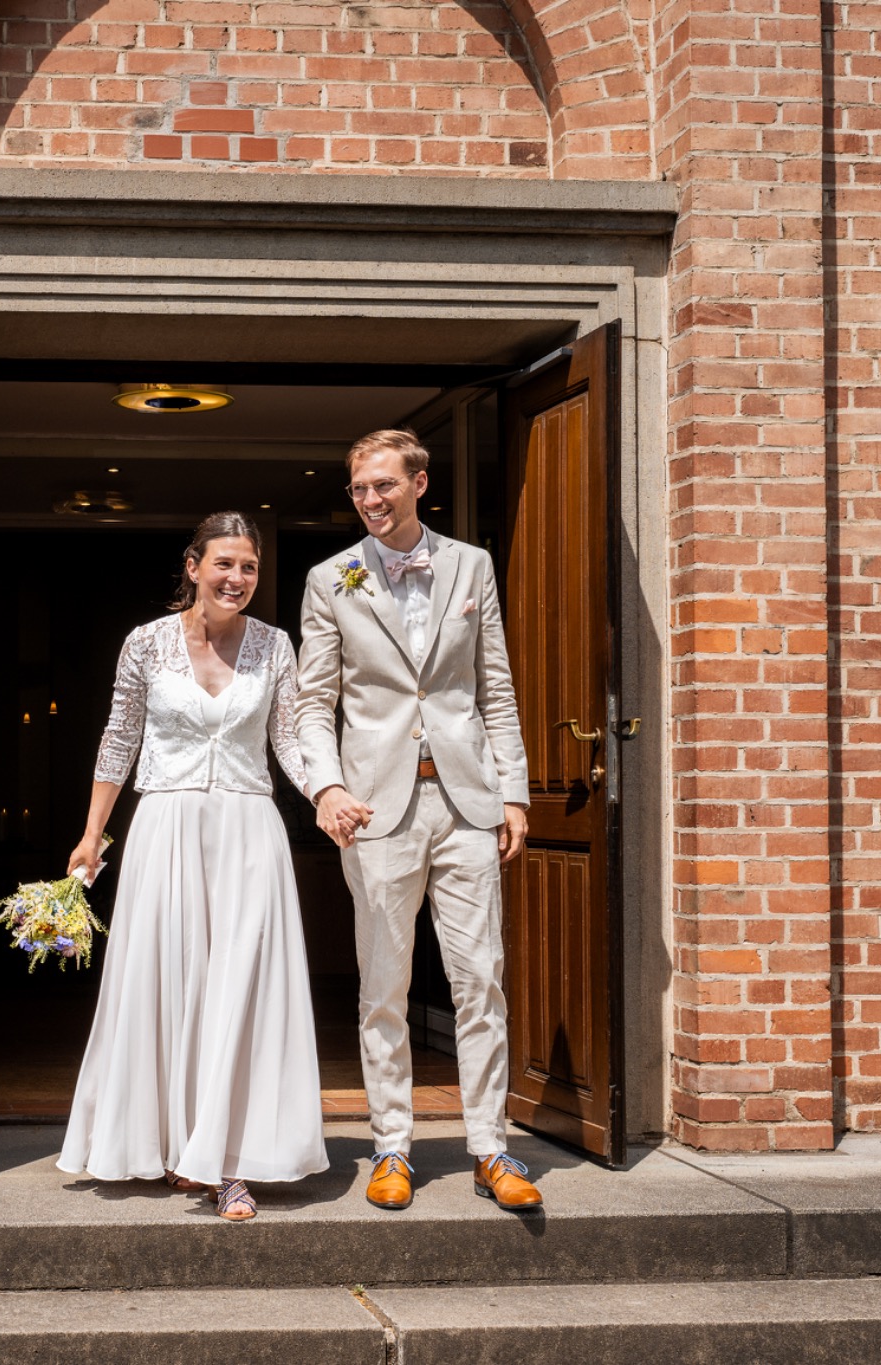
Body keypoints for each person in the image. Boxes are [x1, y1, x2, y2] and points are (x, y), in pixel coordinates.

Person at [295, 428, 543, 1212]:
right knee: (383, 985)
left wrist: (513, 791)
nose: (371, 500)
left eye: (384, 485)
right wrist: (326, 787)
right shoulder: (330, 578)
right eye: (359, 489)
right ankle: (392, 1146)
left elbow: (494, 686)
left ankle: (491, 1146)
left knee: (481, 979)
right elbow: (313, 701)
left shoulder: (472, 565)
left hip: (467, 804)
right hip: (375, 809)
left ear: (419, 483)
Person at [58, 512, 327, 1222]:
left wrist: (326, 795)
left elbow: (290, 739)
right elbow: (119, 738)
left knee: (241, 989)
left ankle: (228, 1160)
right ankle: (175, 1147)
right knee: (171, 983)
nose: (237, 578)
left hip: (248, 830)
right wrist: (92, 834)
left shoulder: (275, 645)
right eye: (224, 564)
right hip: (166, 829)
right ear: (193, 565)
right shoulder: (145, 642)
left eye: (249, 567)